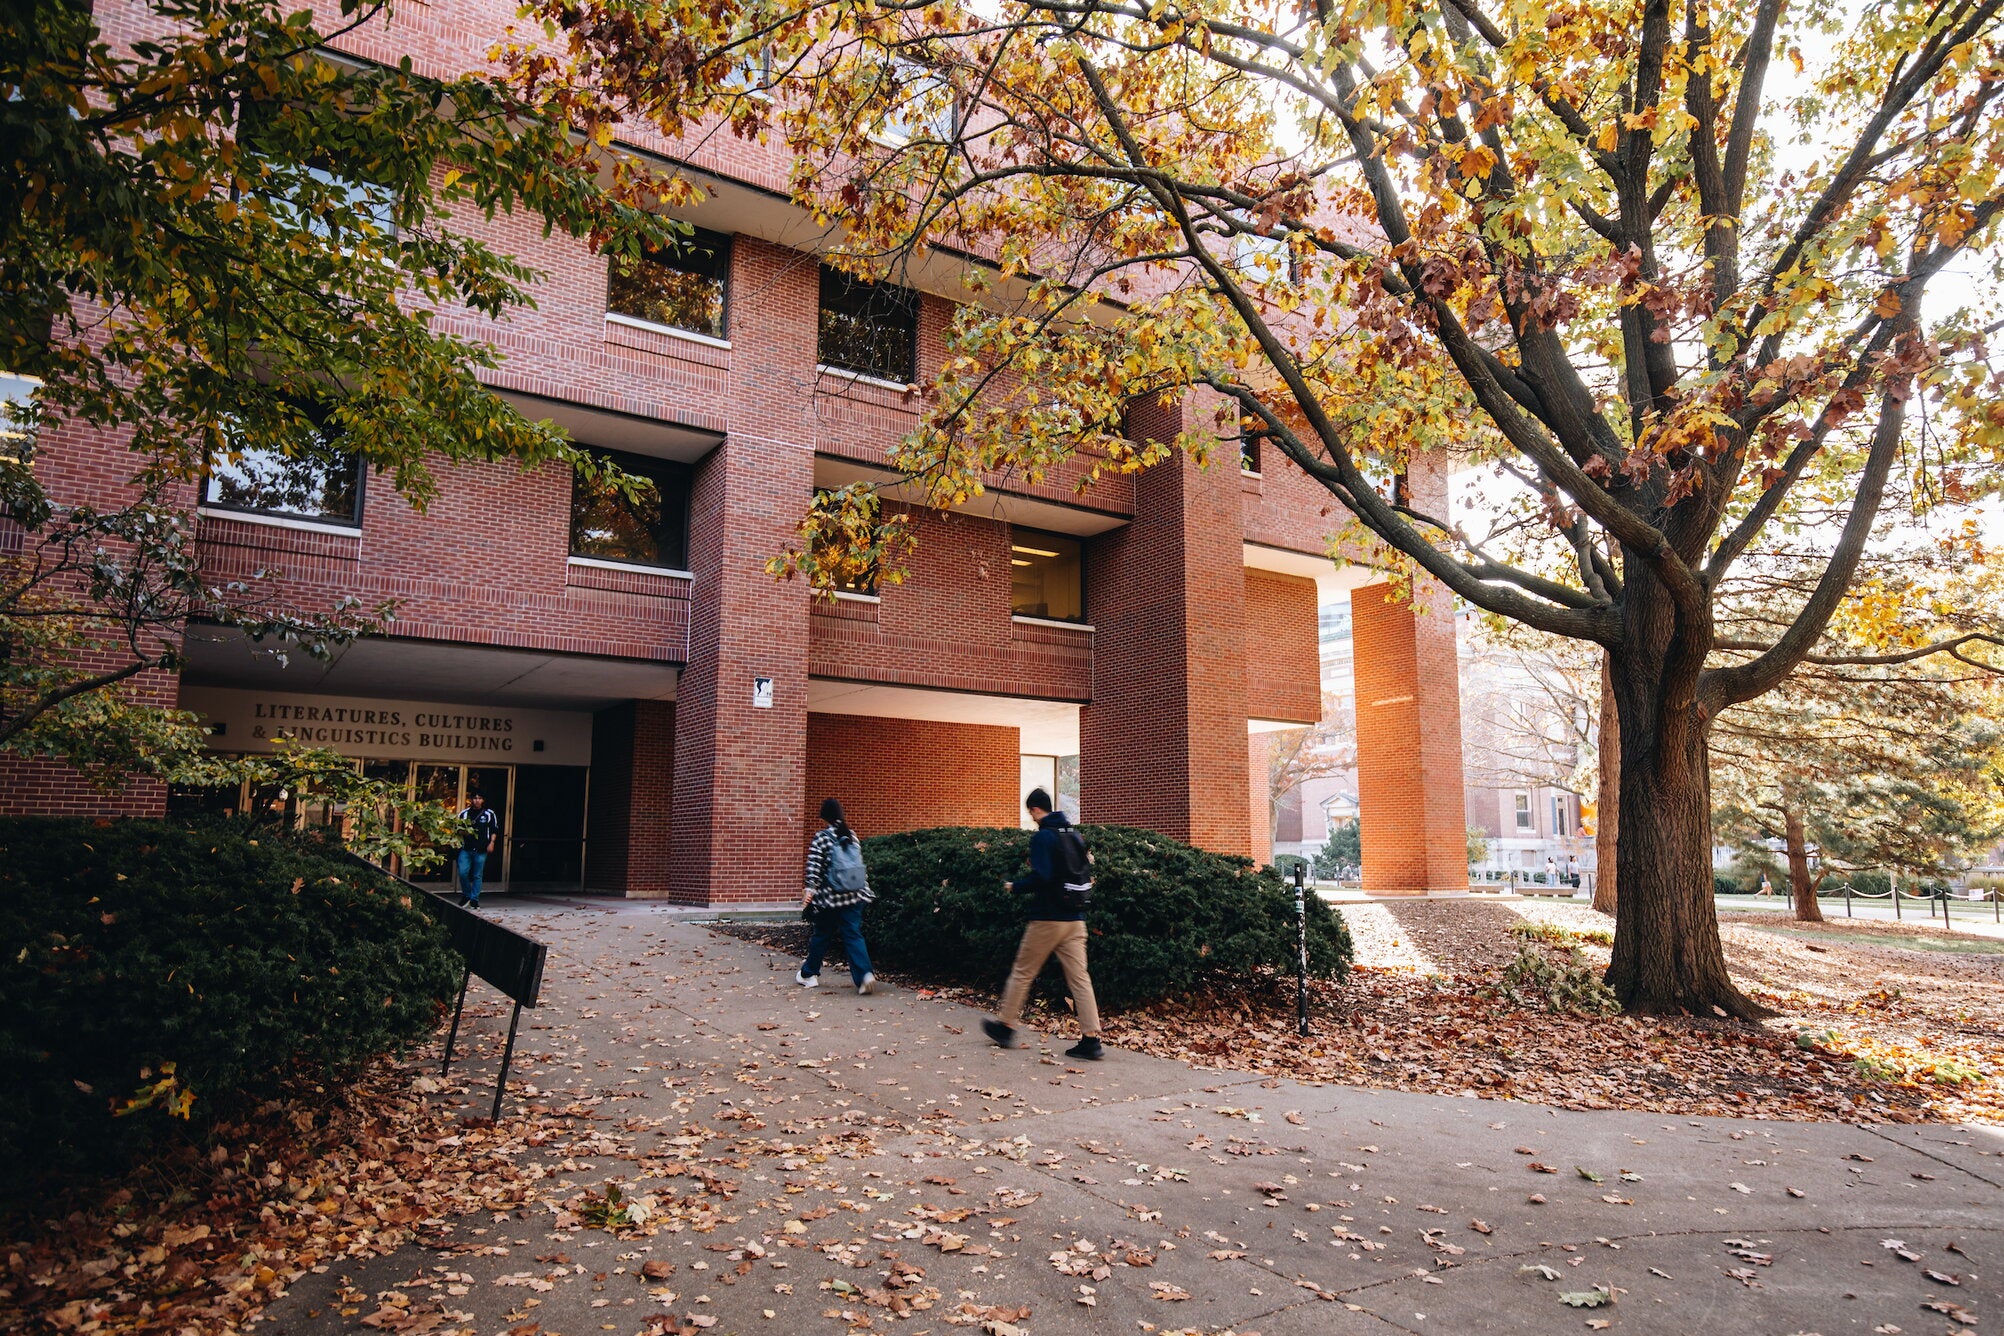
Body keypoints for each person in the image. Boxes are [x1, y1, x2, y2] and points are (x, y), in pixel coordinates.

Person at [983, 788, 1103, 1061]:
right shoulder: (1073, 834)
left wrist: (1015, 886)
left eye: (1031, 812)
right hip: (1076, 919)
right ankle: (1091, 1040)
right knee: (1080, 978)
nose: (1032, 817)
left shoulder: (1044, 837)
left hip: (1048, 918)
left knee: (1023, 971)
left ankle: (1006, 1026)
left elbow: (1043, 877)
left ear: (1036, 810)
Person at [797, 797, 876, 995]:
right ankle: (865, 975)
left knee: (822, 935)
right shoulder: (852, 836)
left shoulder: (822, 837)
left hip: (831, 898)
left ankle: (808, 975)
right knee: (853, 934)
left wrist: (810, 889)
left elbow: (814, 867)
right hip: (855, 895)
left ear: (825, 816)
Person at [456, 791, 500, 907]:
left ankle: (474, 899)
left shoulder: (489, 814)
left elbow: (494, 829)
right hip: (466, 848)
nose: (477, 800)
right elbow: (457, 828)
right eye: (475, 798)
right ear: (471, 799)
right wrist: (464, 833)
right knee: (462, 872)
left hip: (481, 849)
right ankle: (467, 894)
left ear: (483, 800)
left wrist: (492, 843)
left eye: (479, 798)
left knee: (477, 875)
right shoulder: (464, 813)